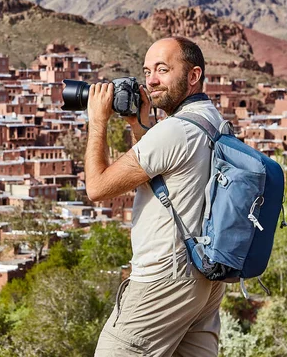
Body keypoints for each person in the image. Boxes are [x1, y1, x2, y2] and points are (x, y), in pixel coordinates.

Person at [86, 37, 225, 357]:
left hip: (163, 280)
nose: (151, 80)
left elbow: (97, 187)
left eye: (163, 70)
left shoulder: (175, 130)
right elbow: (165, 173)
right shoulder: (210, 120)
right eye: (147, 71)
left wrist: (97, 121)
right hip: (204, 278)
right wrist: (139, 124)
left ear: (193, 76)